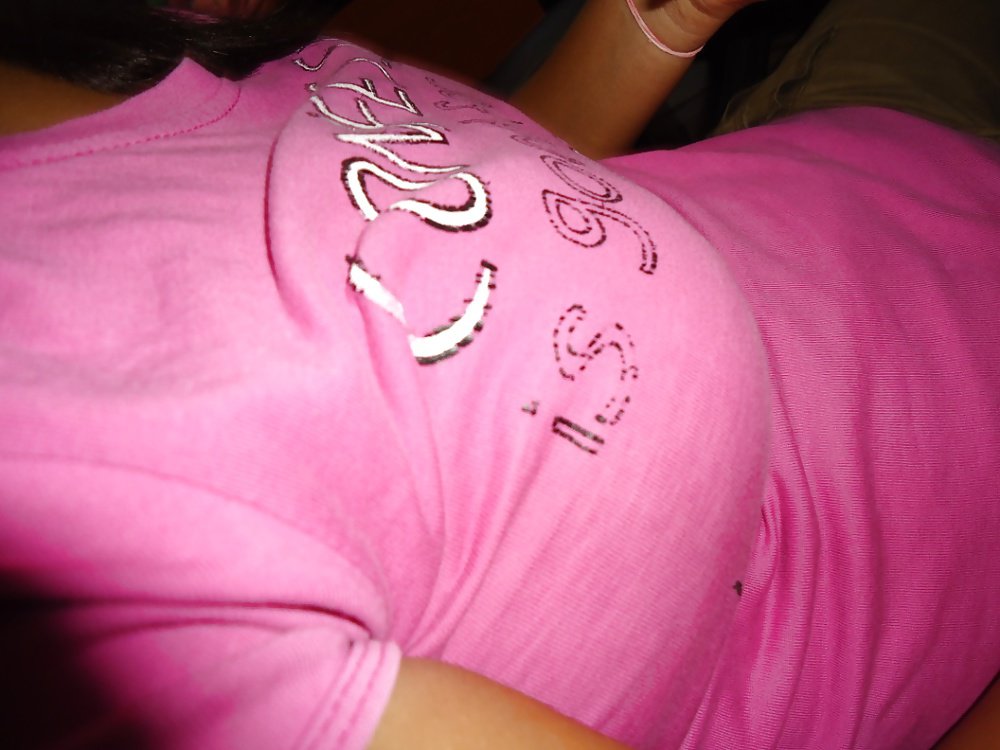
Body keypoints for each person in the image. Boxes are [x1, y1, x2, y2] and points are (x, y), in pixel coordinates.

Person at [0, 0, 997, 748]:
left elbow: (463, 205)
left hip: (866, 152)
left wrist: (652, 23)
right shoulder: (71, 541)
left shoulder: (134, 47)